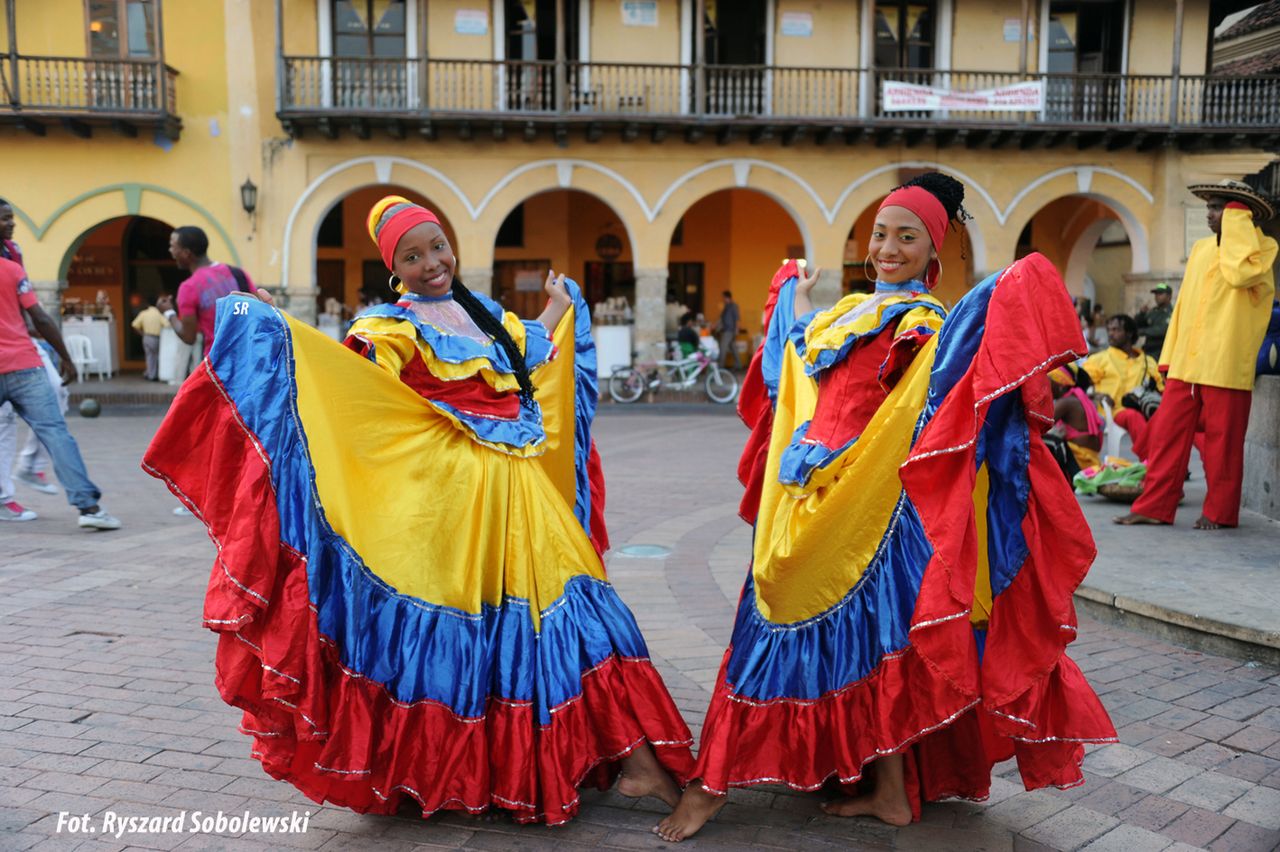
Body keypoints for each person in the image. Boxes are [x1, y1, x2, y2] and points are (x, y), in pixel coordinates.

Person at [142, 195, 694, 824]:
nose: (431, 262)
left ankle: (636, 763)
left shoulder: (485, 316)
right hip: (455, 510)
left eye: (436, 246)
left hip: (523, 497)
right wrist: (281, 331)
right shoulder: (389, 327)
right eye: (412, 255)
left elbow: (535, 348)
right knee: (500, 634)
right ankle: (598, 766)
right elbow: (346, 387)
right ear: (393, 267)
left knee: (582, 616)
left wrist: (561, 304)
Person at [655, 173, 1114, 842]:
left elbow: (937, 401)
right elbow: (792, 369)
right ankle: (890, 791)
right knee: (874, 650)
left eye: (908, 237)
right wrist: (798, 300)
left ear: (933, 254)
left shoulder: (925, 323)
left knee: (786, 636)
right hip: (809, 497)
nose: (889, 247)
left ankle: (710, 788)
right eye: (880, 234)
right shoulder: (843, 314)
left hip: (873, 512)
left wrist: (996, 303)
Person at [1117, 179, 1278, 530]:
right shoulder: (1203, 249)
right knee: (1165, 437)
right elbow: (1184, 308)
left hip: (1225, 364)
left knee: (1223, 444)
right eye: (1209, 206)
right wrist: (1169, 356)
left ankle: (1220, 512)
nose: (1209, 214)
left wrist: (1236, 223)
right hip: (1187, 363)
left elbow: (1238, 274)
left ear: (1241, 215)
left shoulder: (1260, 252)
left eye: (1219, 207)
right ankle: (1154, 506)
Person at [0, 237, 120, 529]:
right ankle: (89, 508)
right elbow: (39, 317)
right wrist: (66, 356)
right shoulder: (12, 270)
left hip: (22, 365)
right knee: (55, 434)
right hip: (24, 366)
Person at [157, 225, 257, 360]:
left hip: (219, 365)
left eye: (173, 246)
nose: (171, 251)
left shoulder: (189, 288)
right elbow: (259, 311)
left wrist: (169, 313)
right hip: (251, 359)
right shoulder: (238, 273)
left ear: (186, 253)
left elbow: (188, 336)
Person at [1082, 314, 1163, 459]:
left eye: (1116, 330)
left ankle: (1172, 463)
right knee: (1133, 417)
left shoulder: (1147, 361)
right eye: (1109, 330)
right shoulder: (1100, 359)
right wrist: (1097, 395)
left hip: (1146, 408)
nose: (1111, 333)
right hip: (1115, 411)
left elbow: (1162, 388)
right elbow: (1079, 385)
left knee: (1173, 418)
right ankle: (1153, 461)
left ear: (1129, 333)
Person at [1048, 364, 1103, 477]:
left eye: (1048, 382)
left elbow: (1041, 424)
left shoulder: (1065, 403)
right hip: (1090, 458)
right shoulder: (1076, 396)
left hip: (1080, 460)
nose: (1044, 386)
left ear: (1061, 385)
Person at [131, 296, 166, 381]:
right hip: (157, 338)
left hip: (146, 337)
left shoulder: (144, 313)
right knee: (158, 357)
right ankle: (156, 374)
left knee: (149, 356)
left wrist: (142, 334)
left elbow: (134, 325)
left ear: (148, 304)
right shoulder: (159, 314)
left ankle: (150, 374)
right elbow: (167, 325)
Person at [1135, 283, 1174, 357]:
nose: (1156, 297)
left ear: (1169, 296)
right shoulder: (1153, 311)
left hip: (1162, 351)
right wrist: (1141, 314)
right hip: (1148, 350)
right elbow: (1138, 325)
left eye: (1160, 294)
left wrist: (1143, 331)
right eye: (1156, 294)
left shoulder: (1171, 313)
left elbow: (1162, 330)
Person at [715, 290, 741, 369]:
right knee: (733, 348)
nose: (722, 299)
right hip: (727, 330)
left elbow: (737, 318)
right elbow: (722, 318)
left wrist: (737, 329)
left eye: (723, 297)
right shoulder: (726, 306)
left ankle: (720, 367)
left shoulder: (733, 306)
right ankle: (738, 365)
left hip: (729, 331)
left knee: (722, 348)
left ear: (727, 297)